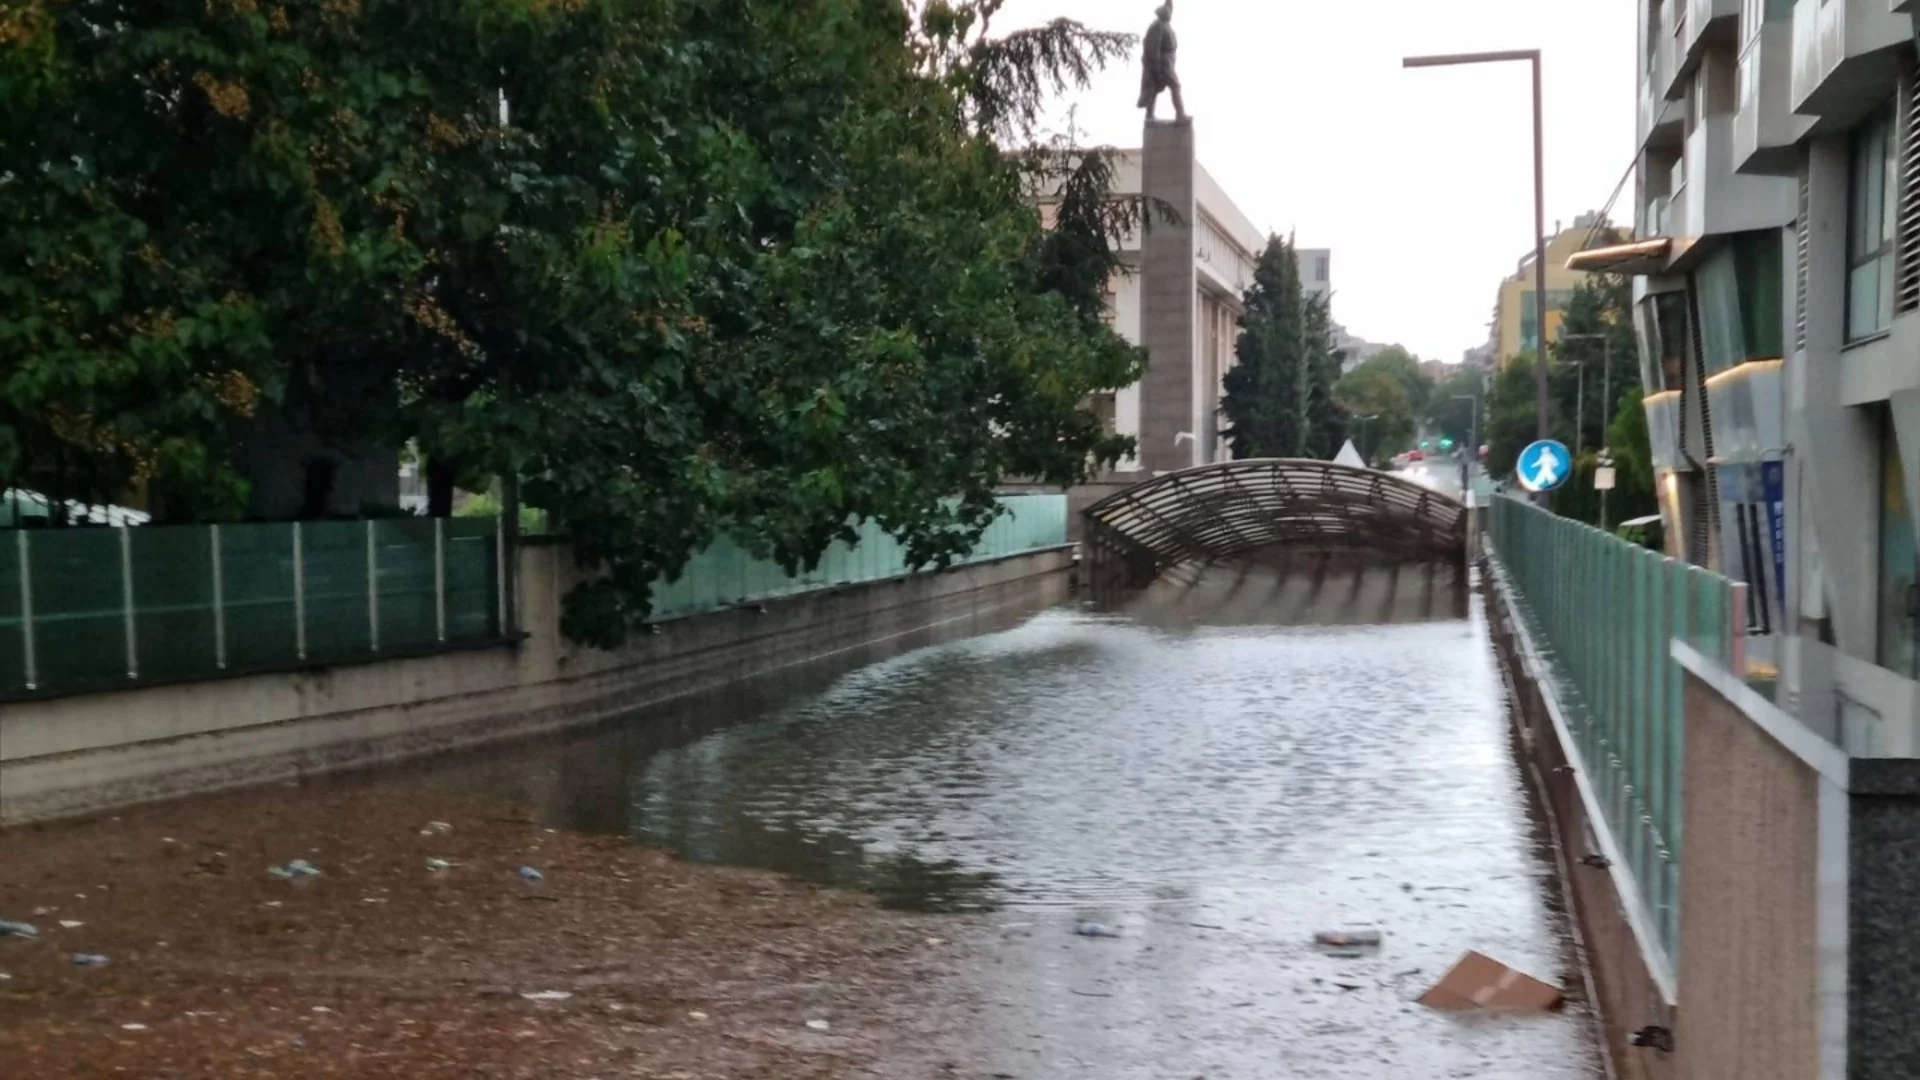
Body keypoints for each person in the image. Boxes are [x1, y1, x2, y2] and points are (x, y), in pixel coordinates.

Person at [1138, 3, 1185, 122]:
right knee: (1174, 85)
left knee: (1155, 88)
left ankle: (1150, 114)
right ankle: (1180, 114)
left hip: (1168, 63)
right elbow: (1153, 48)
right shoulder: (1157, 26)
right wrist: (1156, 67)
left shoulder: (1165, 26)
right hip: (1162, 64)